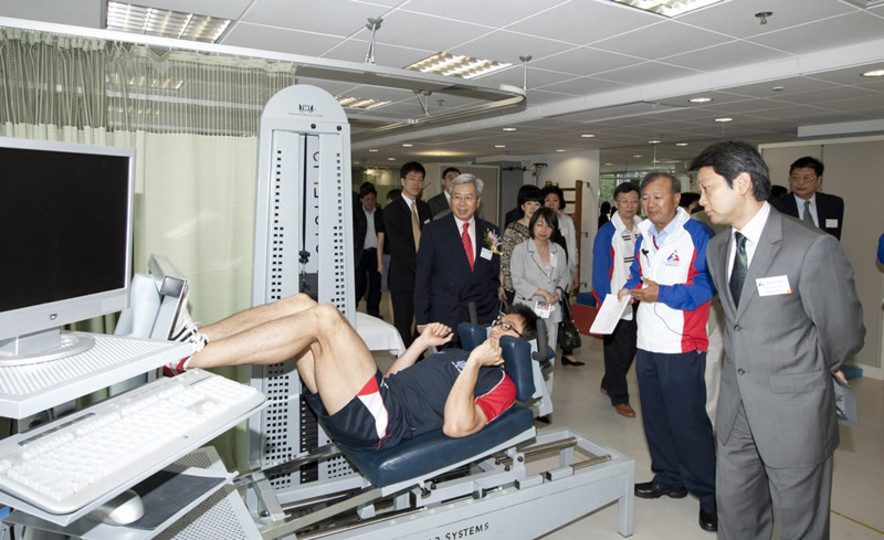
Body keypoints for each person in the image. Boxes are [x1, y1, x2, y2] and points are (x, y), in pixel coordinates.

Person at [691, 141, 864, 540]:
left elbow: (844, 330)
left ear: (743, 183)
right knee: (735, 512)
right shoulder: (718, 248)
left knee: (798, 522)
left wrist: (805, 372)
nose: (701, 200)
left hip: (794, 411)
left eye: (707, 187)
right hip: (736, 411)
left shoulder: (811, 246)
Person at [164, 294, 538, 449]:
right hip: (379, 399)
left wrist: (474, 363)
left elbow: (456, 427)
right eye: (501, 321)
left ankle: (190, 360)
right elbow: (394, 379)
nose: (498, 328)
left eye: (509, 329)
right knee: (302, 303)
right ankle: (192, 339)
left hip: (384, 422)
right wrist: (421, 345)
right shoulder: (458, 352)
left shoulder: (501, 384)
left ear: (519, 345)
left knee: (323, 318)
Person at [618, 172, 717, 533]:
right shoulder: (644, 232)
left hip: (682, 343)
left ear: (676, 198)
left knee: (689, 423)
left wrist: (663, 293)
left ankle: (710, 496)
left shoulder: (697, 235)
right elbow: (637, 271)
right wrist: (628, 289)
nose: (649, 204)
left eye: (657, 197)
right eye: (645, 198)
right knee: (656, 418)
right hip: (647, 342)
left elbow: (707, 287)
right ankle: (668, 478)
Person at [415, 174, 501, 344]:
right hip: (445, 318)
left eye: (468, 198)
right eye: (457, 197)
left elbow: (493, 274)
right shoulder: (432, 231)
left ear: (477, 201)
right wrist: (422, 320)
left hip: (481, 315)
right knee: (449, 368)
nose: (462, 203)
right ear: (451, 199)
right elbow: (422, 277)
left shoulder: (492, 232)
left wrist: (492, 308)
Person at [592, 182, 641, 418]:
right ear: (615, 203)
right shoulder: (607, 232)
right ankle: (619, 396)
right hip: (616, 298)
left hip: (641, 296)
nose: (629, 206)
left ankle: (608, 380)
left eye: (633, 201)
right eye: (624, 201)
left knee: (633, 346)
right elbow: (600, 270)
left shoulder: (644, 227)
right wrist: (604, 302)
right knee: (616, 350)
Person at [511, 207, 571, 364]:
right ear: (532, 225)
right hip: (526, 310)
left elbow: (564, 277)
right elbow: (517, 281)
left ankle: (546, 389)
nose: (544, 230)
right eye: (539, 224)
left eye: (549, 226)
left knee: (548, 356)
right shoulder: (521, 250)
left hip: (551, 310)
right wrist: (543, 292)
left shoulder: (558, 251)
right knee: (526, 358)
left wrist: (557, 292)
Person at [383, 162, 432, 346]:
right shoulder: (391, 210)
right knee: (403, 323)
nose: (416, 183)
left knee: (423, 322)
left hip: (424, 276)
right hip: (403, 276)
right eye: (412, 178)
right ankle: (404, 360)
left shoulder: (425, 208)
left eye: (420, 179)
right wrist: (422, 267)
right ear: (402, 181)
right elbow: (399, 247)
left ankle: (416, 356)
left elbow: (429, 240)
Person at [542, 184, 583, 366]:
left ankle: (567, 349)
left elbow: (572, 247)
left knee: (565, 309)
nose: (551, 203)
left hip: (564, 273)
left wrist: (574, 271)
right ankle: (544, 349)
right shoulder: (540, 220)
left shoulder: (566, 220)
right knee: (546, 313)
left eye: (555, 200)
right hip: (544, 275)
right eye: (548, 200)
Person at [770, 156, 844, 240]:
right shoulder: (776, 206)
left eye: (806, 178)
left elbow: (834, 238)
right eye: (795, 178)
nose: (800, 182)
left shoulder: (833, 204)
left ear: (819, 180)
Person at [500, 185, 543, 305]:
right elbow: (505, 258)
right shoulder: (512, 228)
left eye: (537, 204)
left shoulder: (545, 229)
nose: (533, 207)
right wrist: (501, 284)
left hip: (539, 285)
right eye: (529, 203)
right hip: (514, 284)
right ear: (523, 206)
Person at [354, 182, 383, 317]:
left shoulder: (380, 213)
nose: (370, 202)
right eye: (367, 199)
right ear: (361, 200)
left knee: (375, 284)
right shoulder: (356, 214)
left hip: (376, 253)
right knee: (359, 283)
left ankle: (373, 312)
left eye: (372, 199)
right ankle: (352, 308)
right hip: (361, 253)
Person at [377, 189, 399, 321]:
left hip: (396, 258)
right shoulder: (384, 216)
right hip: (388, 257)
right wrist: (379, 262)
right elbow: (380, 241)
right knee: (391, 292)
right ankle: (393, 320)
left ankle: (395, 321)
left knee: (393, 293)